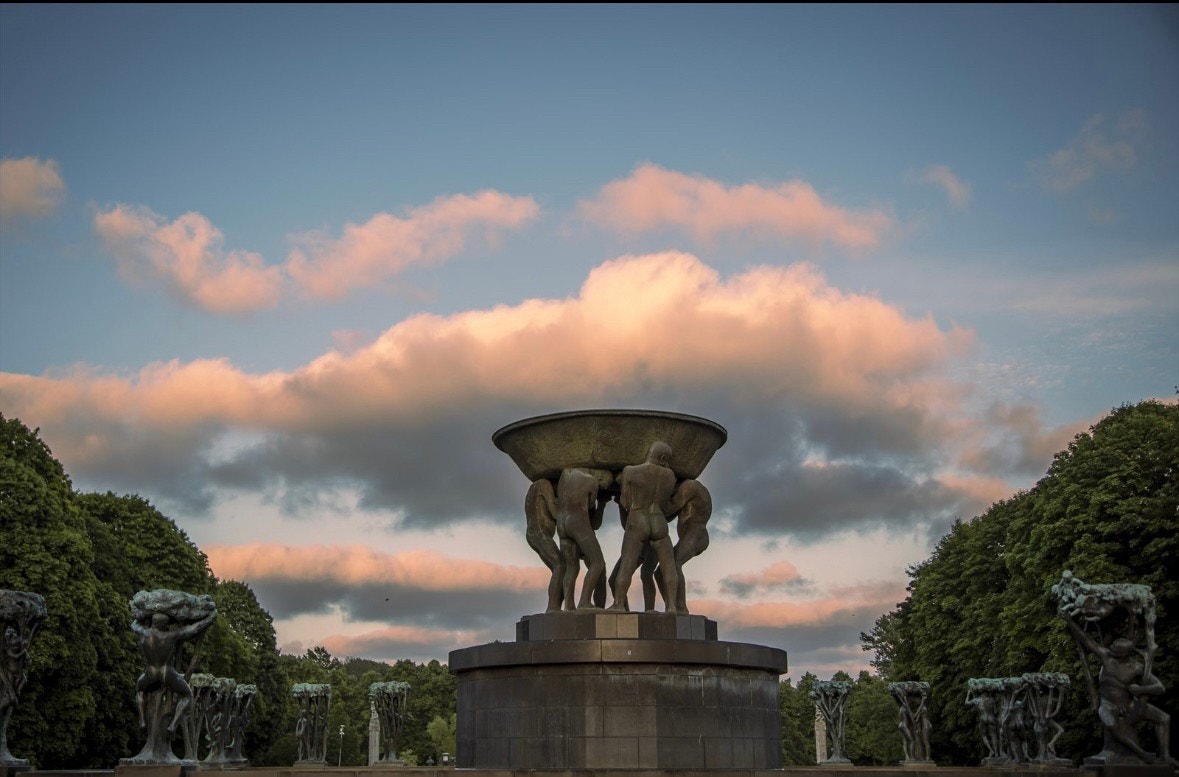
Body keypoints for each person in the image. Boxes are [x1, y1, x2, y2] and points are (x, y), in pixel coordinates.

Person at [1061, 613, 1173, 764]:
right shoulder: (1106, 658)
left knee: (1164, 718)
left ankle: (1165, 757)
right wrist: (1069, 620)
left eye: (1115, 650)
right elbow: (1086, 640)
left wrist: (1141, 690)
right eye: (1112, 648)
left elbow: (1160, 687)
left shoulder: (1136, 667)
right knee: (1111, 724)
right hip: (1108, 704)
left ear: (1125, 654)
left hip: (1131, 705)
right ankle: (1141, 753)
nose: (1111, 650)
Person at [609, 441, 678, 613]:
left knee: (627, 563)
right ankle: (671, 606)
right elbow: (666, 504)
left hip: (638, 517)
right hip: (658, 520)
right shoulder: (670, 476)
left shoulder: (631, 471)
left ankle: (618, 604)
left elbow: (625, 501)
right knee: (669, 566)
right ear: (662, 458)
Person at [131, 607, 217, 736]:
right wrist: (210, 618)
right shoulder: (171, 636)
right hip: (167, 673)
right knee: (188, 695)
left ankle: (142, 721)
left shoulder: (143, 633)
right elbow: (194, 629)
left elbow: (133, 624)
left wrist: (143, 613)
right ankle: (172, 725)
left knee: (140, 690)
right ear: (166, 625)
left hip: (150, 672)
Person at [555, 467, 611, 610]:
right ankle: (584, 602)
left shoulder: (565, 475)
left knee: (571, 567)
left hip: (561, 523)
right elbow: (594, 521)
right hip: (578, 521)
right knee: (598, 563)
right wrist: (602, 503)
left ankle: (568, 605)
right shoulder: (591, 481)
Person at [525, 478, 564, 612]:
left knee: (559, 568)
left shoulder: (534, 487)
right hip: (540, 533)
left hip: (534, 533)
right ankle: (553, 606)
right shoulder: (544, 485)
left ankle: (556, 606)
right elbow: (555, 512)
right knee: (560, 566)